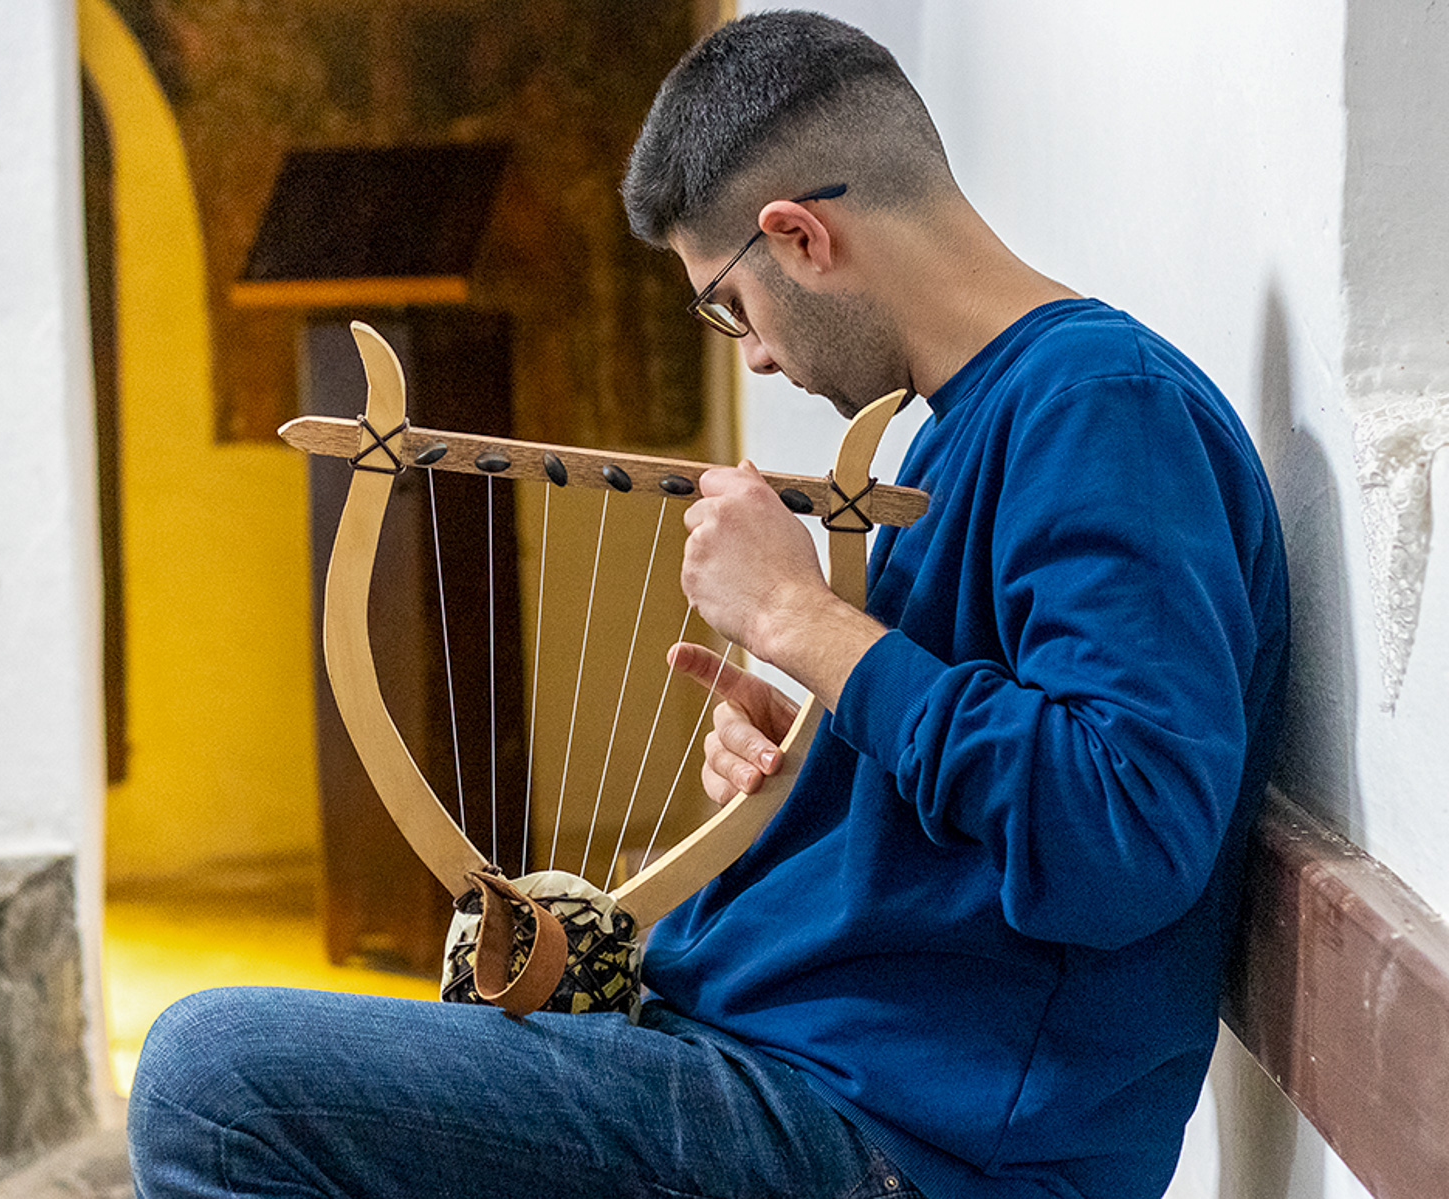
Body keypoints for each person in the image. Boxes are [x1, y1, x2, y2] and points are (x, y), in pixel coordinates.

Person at [126, 12, 1289, 1199]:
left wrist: (812, 627)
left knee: (212, 1078)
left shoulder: (1102, 407)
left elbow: (1127, 835)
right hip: (803, 1070)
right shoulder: (993, 419)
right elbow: (1006, 753)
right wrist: (827, 745)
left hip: (913, 1142)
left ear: (798, 235)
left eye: (728, 305)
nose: (755, 359)